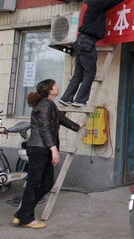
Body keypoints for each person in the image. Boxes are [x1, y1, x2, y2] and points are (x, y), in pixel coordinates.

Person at [13, 79, 84, 229]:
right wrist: (53, 149)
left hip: (42, 148)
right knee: (33, 184)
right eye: (55, 85)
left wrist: (76, 126)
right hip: (39, 148)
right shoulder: (45, 105)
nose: (57, 87)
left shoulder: (49, 104)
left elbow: (61, 118)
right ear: (50, 90)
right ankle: (27, 219)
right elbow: (44, 128)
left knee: (46, 184)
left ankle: (21, 214)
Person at [59, 0, 134, 107]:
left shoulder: (96, 5)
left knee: (78, 74)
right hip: (87, 42)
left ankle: (66, 98)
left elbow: (111, 3)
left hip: (81, 42)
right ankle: (80, 100)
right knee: (90, 73)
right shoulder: (95, 2)